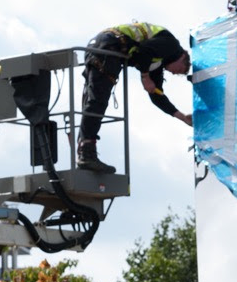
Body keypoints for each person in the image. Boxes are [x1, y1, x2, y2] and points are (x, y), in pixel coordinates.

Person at [77, 22, 193, 173]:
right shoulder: (172, 46)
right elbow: (145, 50)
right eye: (179, 71)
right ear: (182, 58)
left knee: (96, 102)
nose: (174, 73)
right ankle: (86, 154)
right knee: (97, 102)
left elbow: (156, 94)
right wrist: (145, 77)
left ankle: (86, 150)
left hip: (106, 47)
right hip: (110, 45)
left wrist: (182, 117)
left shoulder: (157, 62)